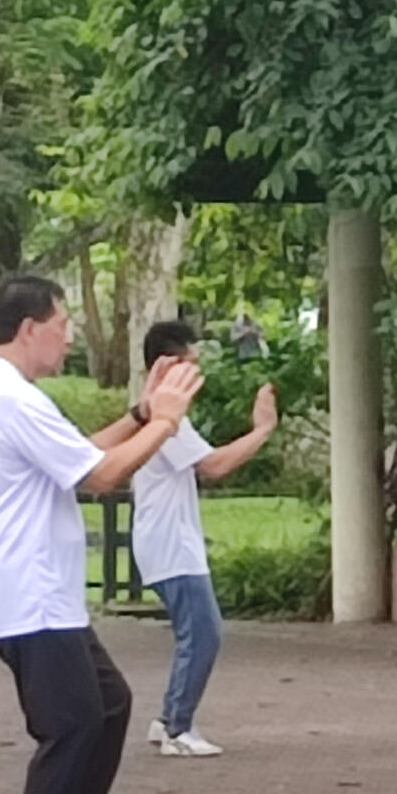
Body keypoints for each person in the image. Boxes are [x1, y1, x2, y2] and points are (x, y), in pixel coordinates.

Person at [0, 274, 202, 794]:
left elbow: (78, 454)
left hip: (43, 593)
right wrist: (168, 424)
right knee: (70, 724)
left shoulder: (9, 395)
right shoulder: (10, 399)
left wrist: (143, 416)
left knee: (109, 705)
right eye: (62, 325)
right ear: (29, 328)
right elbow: (100, 475)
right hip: (28, 590)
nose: (68, 337)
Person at [133, 319, 281, 759]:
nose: (197, 375)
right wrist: (261, 431)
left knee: (196, 632)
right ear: (167, 365)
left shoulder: (162, 416)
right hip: (169, 545)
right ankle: (178, 727)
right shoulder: (164, 419)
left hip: (169, 542)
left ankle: (168, 721)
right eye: (190, 364)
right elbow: (213, 466)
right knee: (204, 633)